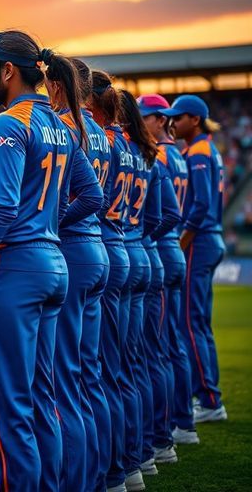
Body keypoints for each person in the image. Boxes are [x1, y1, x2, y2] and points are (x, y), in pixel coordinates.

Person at [0, 30, 101, 492]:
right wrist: (48, 225)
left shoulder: (8, 124)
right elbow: (91, 194)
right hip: (53, 265)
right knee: (43, 401)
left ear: (8, 71)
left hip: (13, 271)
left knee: (7, 408)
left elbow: (1, 207)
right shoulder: (63, 123)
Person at [54, 58, 112, 492]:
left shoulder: (66, 126)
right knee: (91, 374)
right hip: (103, 248)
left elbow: (90, 196)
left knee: (67, 378)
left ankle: (80, 481)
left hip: (75, 248)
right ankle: (112, 474)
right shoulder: (103, 134)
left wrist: (53, 221)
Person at [161, 95, 227, 424]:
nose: (173, 122)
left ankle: (210, 399)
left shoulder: (199, 151)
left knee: (190, 322)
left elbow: (200, 204)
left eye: (179, 117)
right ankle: (208, 395)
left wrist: (182, 241)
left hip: (199, 242)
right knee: (197, 322)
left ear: (195, 120)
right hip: (210, 239)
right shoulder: (205, 148)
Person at [86, 71, 133, 492]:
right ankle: (125, 466)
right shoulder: (120, 142)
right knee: (117, 369)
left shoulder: (84, 133)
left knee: (89, 375)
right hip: (120, 246)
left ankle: (106, 473)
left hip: (92, 245)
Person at [138, 94, 190, 461]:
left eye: (143, 117)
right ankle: (178, 423)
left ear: (158, 119)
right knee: (171, 344)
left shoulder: (158, 155)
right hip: (167, 251)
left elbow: (166, 215)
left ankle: (165, 433)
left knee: (153, 351)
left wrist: (143, 238)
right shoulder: (178, 156)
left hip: (155, 249)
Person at [118, 89, 161, 490]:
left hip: (105, 249)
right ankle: (143, 455)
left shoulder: (110, 144)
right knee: (135, 364)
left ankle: (116, 470)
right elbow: (159, 218)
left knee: (99, 373)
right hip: (140, 250)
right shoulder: (146, 154)